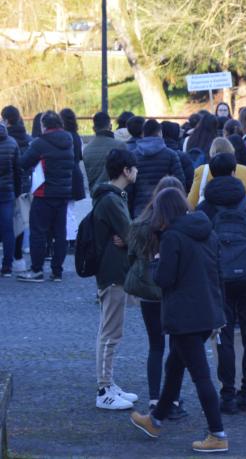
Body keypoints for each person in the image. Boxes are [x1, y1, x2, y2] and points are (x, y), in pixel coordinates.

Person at [129, 188, 228, 453]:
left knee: (200, 376)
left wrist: (156, 262)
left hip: (184, 318)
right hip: (207, 312)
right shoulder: (208, 232)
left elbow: (164, 279)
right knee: (174, 367)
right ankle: (155, 420)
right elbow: (217, 272)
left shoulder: (172, 237)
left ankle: (217, 434)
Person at [196, 153, 246, 414]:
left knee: (224, 337)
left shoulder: (205, 207)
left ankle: (227, 394)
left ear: (212, 174)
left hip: (219, 279)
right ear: (235, 173)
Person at [127, 176, 187, 419]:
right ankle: (172, 398)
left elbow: (131, 256)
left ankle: (154, 398)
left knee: (155, 345)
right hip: (174, 293)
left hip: (149, 293)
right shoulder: (182, 227)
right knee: (176, 348)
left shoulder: (141, 224)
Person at [90, 149, 139, 410]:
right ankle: (104, 389)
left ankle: (108, 384)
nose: (137, 172)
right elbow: (131, 235)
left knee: (109, 330)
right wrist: (129, 238)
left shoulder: (112, 196)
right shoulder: (112, 199)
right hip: (112, 271)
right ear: (126, 171)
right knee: (110, 332)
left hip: (112, 269)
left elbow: (127, 235)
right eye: (134, 168)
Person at [18, 111, 74, 283]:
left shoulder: (40, 143)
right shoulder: (69, 140)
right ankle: (57, 271)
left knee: (38, 232)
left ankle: (37, 270)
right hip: (63, 193)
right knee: (60, 232)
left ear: (44, 125)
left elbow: (23, 163)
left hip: (44, 193)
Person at [132, 120, 186, 216]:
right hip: (166, 208)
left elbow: (129, 186)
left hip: (140, 208)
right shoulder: (171, 155)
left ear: (143, 133)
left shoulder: (133, 156)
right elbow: (180, 182)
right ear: (160, 133)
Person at [187, 137, 246, 208]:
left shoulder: (202, 171)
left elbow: (191, 203)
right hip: (240, 213)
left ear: (212, 152)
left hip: (210, 213)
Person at [83, 112, 128, 192]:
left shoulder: (86, 149)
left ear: (94, 129)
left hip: (96, 194)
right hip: (116, 193)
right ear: (110, 126)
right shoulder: (120, 145)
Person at [0, 123, 21, 277]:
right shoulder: (12, 143)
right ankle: (7, 266)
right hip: (7, 192)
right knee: (8, 230)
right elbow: (17, 171)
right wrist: (18, 192)